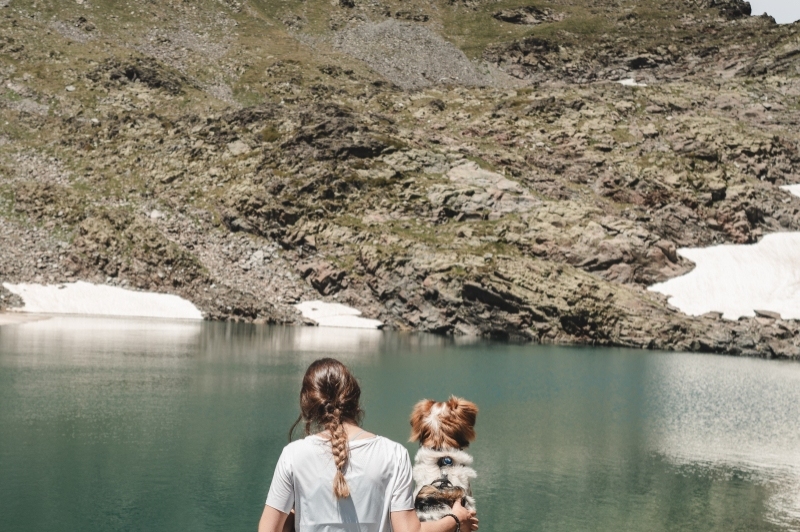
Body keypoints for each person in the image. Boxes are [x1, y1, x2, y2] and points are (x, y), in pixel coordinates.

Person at [258, 358, 479, 532]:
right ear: (355, 397)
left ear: (307, 403)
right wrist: (455, 519)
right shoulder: (393, 454)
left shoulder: (293, 455)